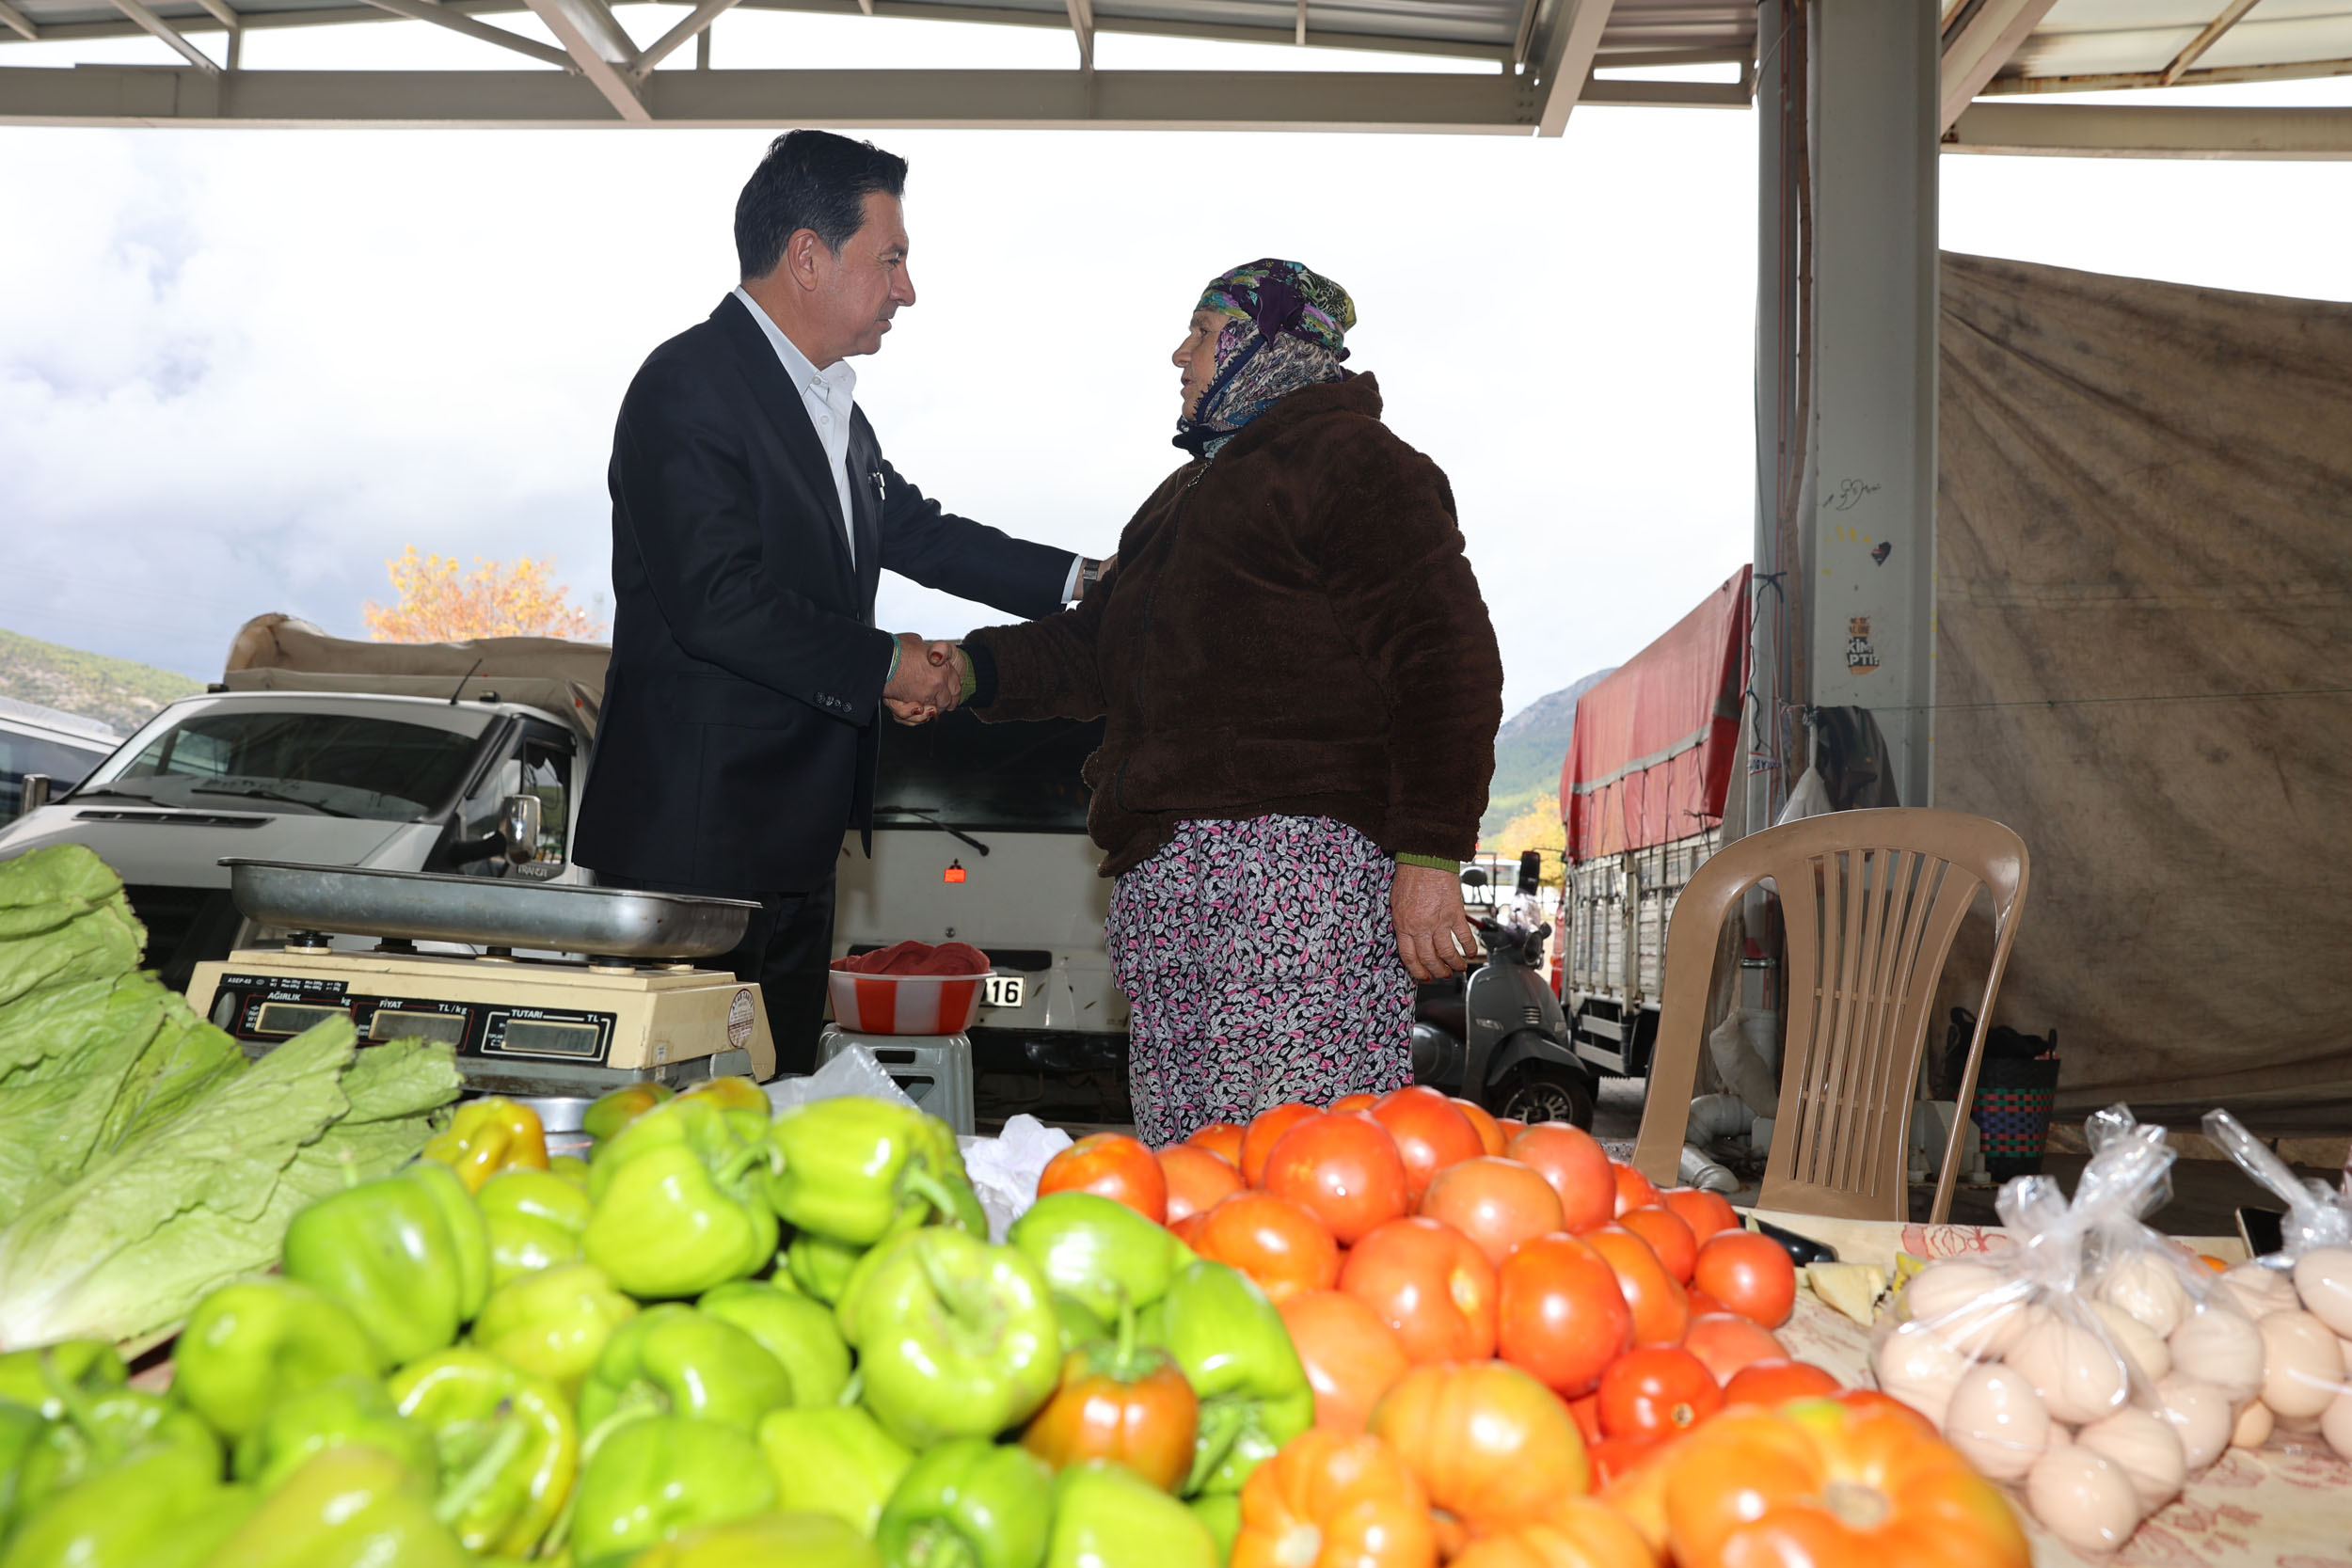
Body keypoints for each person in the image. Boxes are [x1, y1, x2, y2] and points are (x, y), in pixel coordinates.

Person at [574, 130, 1102, 1076]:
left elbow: (922, 533)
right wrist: (888, 664)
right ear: (808, 256)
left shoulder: (837, 414)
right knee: (678, 1120)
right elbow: (716, 600)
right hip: (692, 846)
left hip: (797, 841)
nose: (908, 290)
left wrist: (1086, 583)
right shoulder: (687, 384)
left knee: (772, 1104)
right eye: (891, 259)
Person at [943, 260, 1503, 1145]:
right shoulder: (1180, 500)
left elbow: (1446, 661)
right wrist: (962, 670)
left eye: (1202, 334)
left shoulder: (1355, 462)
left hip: (1295, 879)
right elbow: (1092, 647)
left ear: (1261, 345)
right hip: (1169, 878)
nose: (1181, 354)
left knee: (1301, 1157)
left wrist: (1431, 850)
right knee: (1190, 1160)